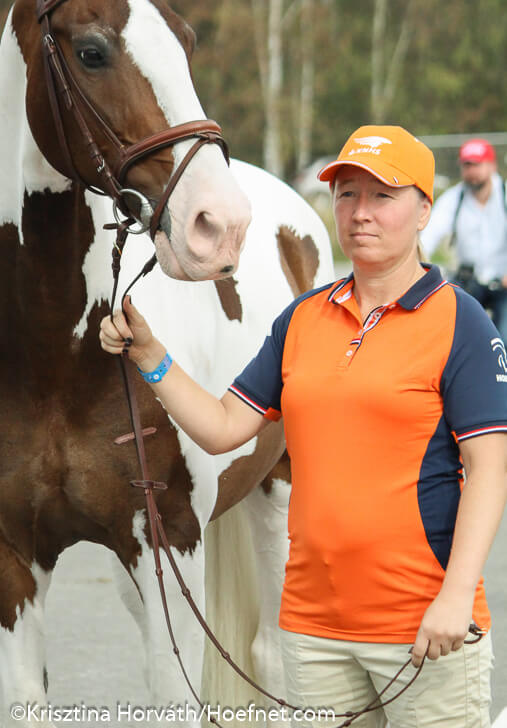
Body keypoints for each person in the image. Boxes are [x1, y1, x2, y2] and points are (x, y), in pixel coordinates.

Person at [100, 125, 507, 728]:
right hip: (314, 635)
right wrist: (151, 355)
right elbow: (221, 428)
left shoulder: (462, 322)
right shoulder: (301, 319)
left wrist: (454, 598)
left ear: (424, 210)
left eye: (382, 196)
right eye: (346, 195)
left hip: (425, 630)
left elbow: (490, 471)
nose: (359, 213)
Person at [420, 138, 507, 341]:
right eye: (467, 165)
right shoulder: (453, 199)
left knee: (504, 335)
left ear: (492, 165)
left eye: (477, 165)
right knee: (452, 331)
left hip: (503, 282)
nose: (472, 171)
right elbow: (429, 234)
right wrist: (417, 264)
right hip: (469, 280)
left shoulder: (504, 196)